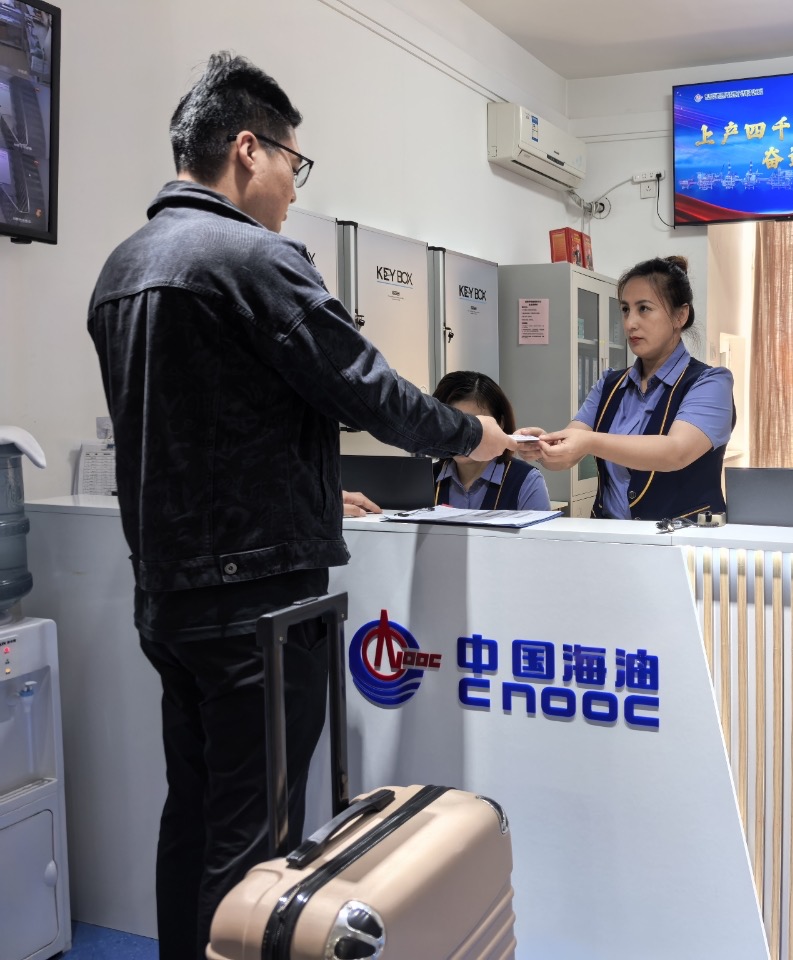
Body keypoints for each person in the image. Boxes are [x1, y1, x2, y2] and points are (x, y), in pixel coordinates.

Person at [85, 52, 512, 960]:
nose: (291, 186)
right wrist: (471, 436)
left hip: (168, 599)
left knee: (193, 813)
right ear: (249, 149)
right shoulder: (254, 258)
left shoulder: (122, 267)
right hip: (259, 610)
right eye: (293, 163)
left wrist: (310, 492)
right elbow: (366, 389)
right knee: (255, 843)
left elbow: (205, 430)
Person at [522, 255, 734, 521]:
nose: (630, 323)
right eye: (625, 309)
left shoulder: (710, 382)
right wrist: (543, 448)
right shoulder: (609, 385)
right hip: (612, 538)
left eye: (644, 308)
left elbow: (676, 452)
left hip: (681, 538)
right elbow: (567, 455)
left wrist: (589, 441)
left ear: (680, 315)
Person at [431, 371, 552, 510]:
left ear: (500, 423)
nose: (462, 436)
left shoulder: (526, 481)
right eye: (453, 424)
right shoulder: (425, 479)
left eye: (473, 425)